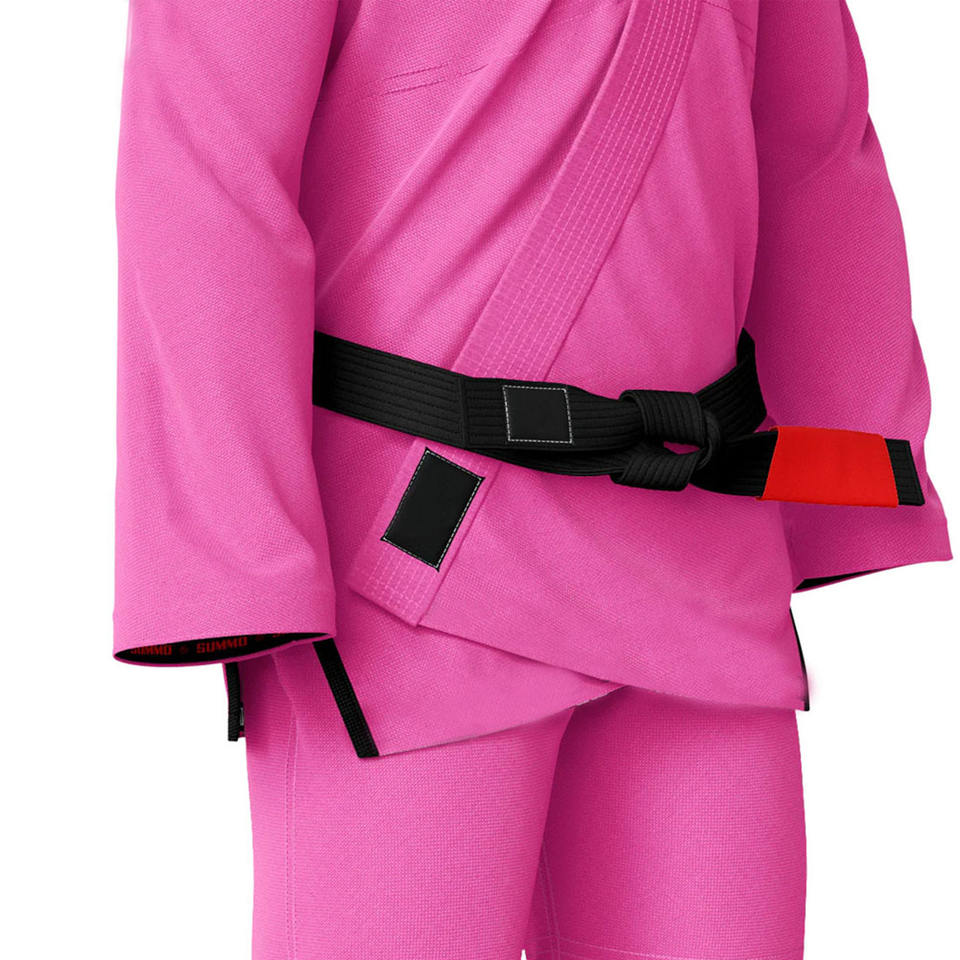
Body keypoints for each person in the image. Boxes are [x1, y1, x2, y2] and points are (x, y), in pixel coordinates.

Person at [113, 1, 951, 957]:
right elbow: (206, 166)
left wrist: (848, 460)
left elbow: (809, 134)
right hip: (413, 568)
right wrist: (239, 550)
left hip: (700, 554)